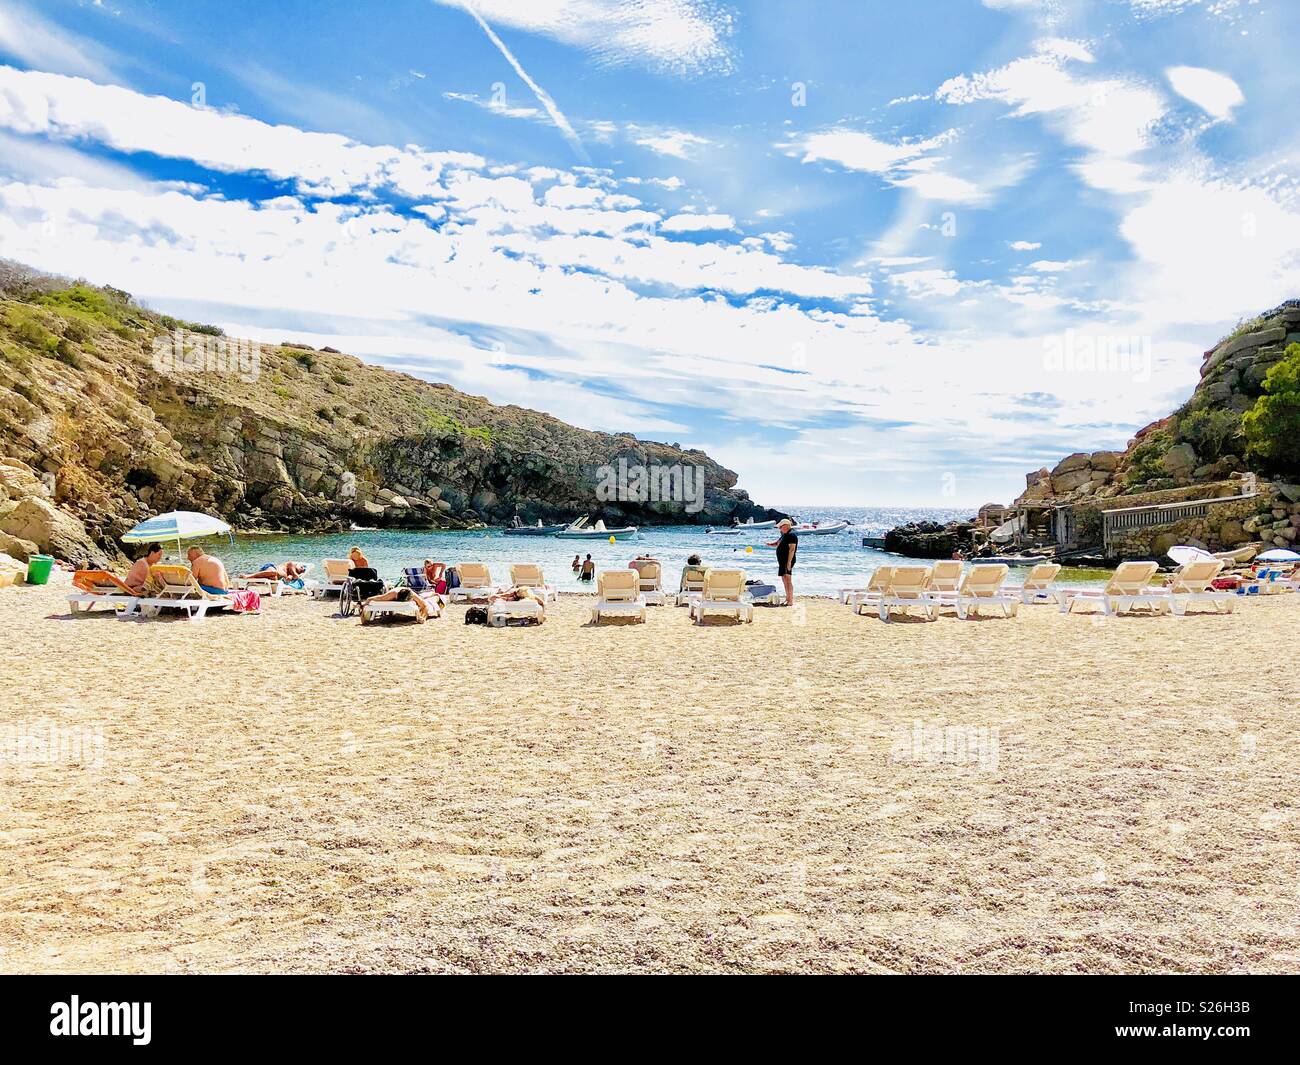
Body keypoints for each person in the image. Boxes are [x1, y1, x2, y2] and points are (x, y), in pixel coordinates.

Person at [765, 518, 798, 606]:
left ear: (786, 526)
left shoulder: (791, 535)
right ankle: (787, 599)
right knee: (784, 579)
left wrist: (789, 562)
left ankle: (790, 600)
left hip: (787, 561)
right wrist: (770, 544)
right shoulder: (784, 535)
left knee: (788, 579)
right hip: (782, 561)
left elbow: (792, 549)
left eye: (781, 527)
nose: (779, 529)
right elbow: (778, 543)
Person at [362, 586, 431, 623]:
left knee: (423, 598)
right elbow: (369, 599)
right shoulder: (391, 594)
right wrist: (363, 611)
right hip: (396, 591)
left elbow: (424, 606)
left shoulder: (412, 594)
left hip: (409, 592)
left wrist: (423, 617)